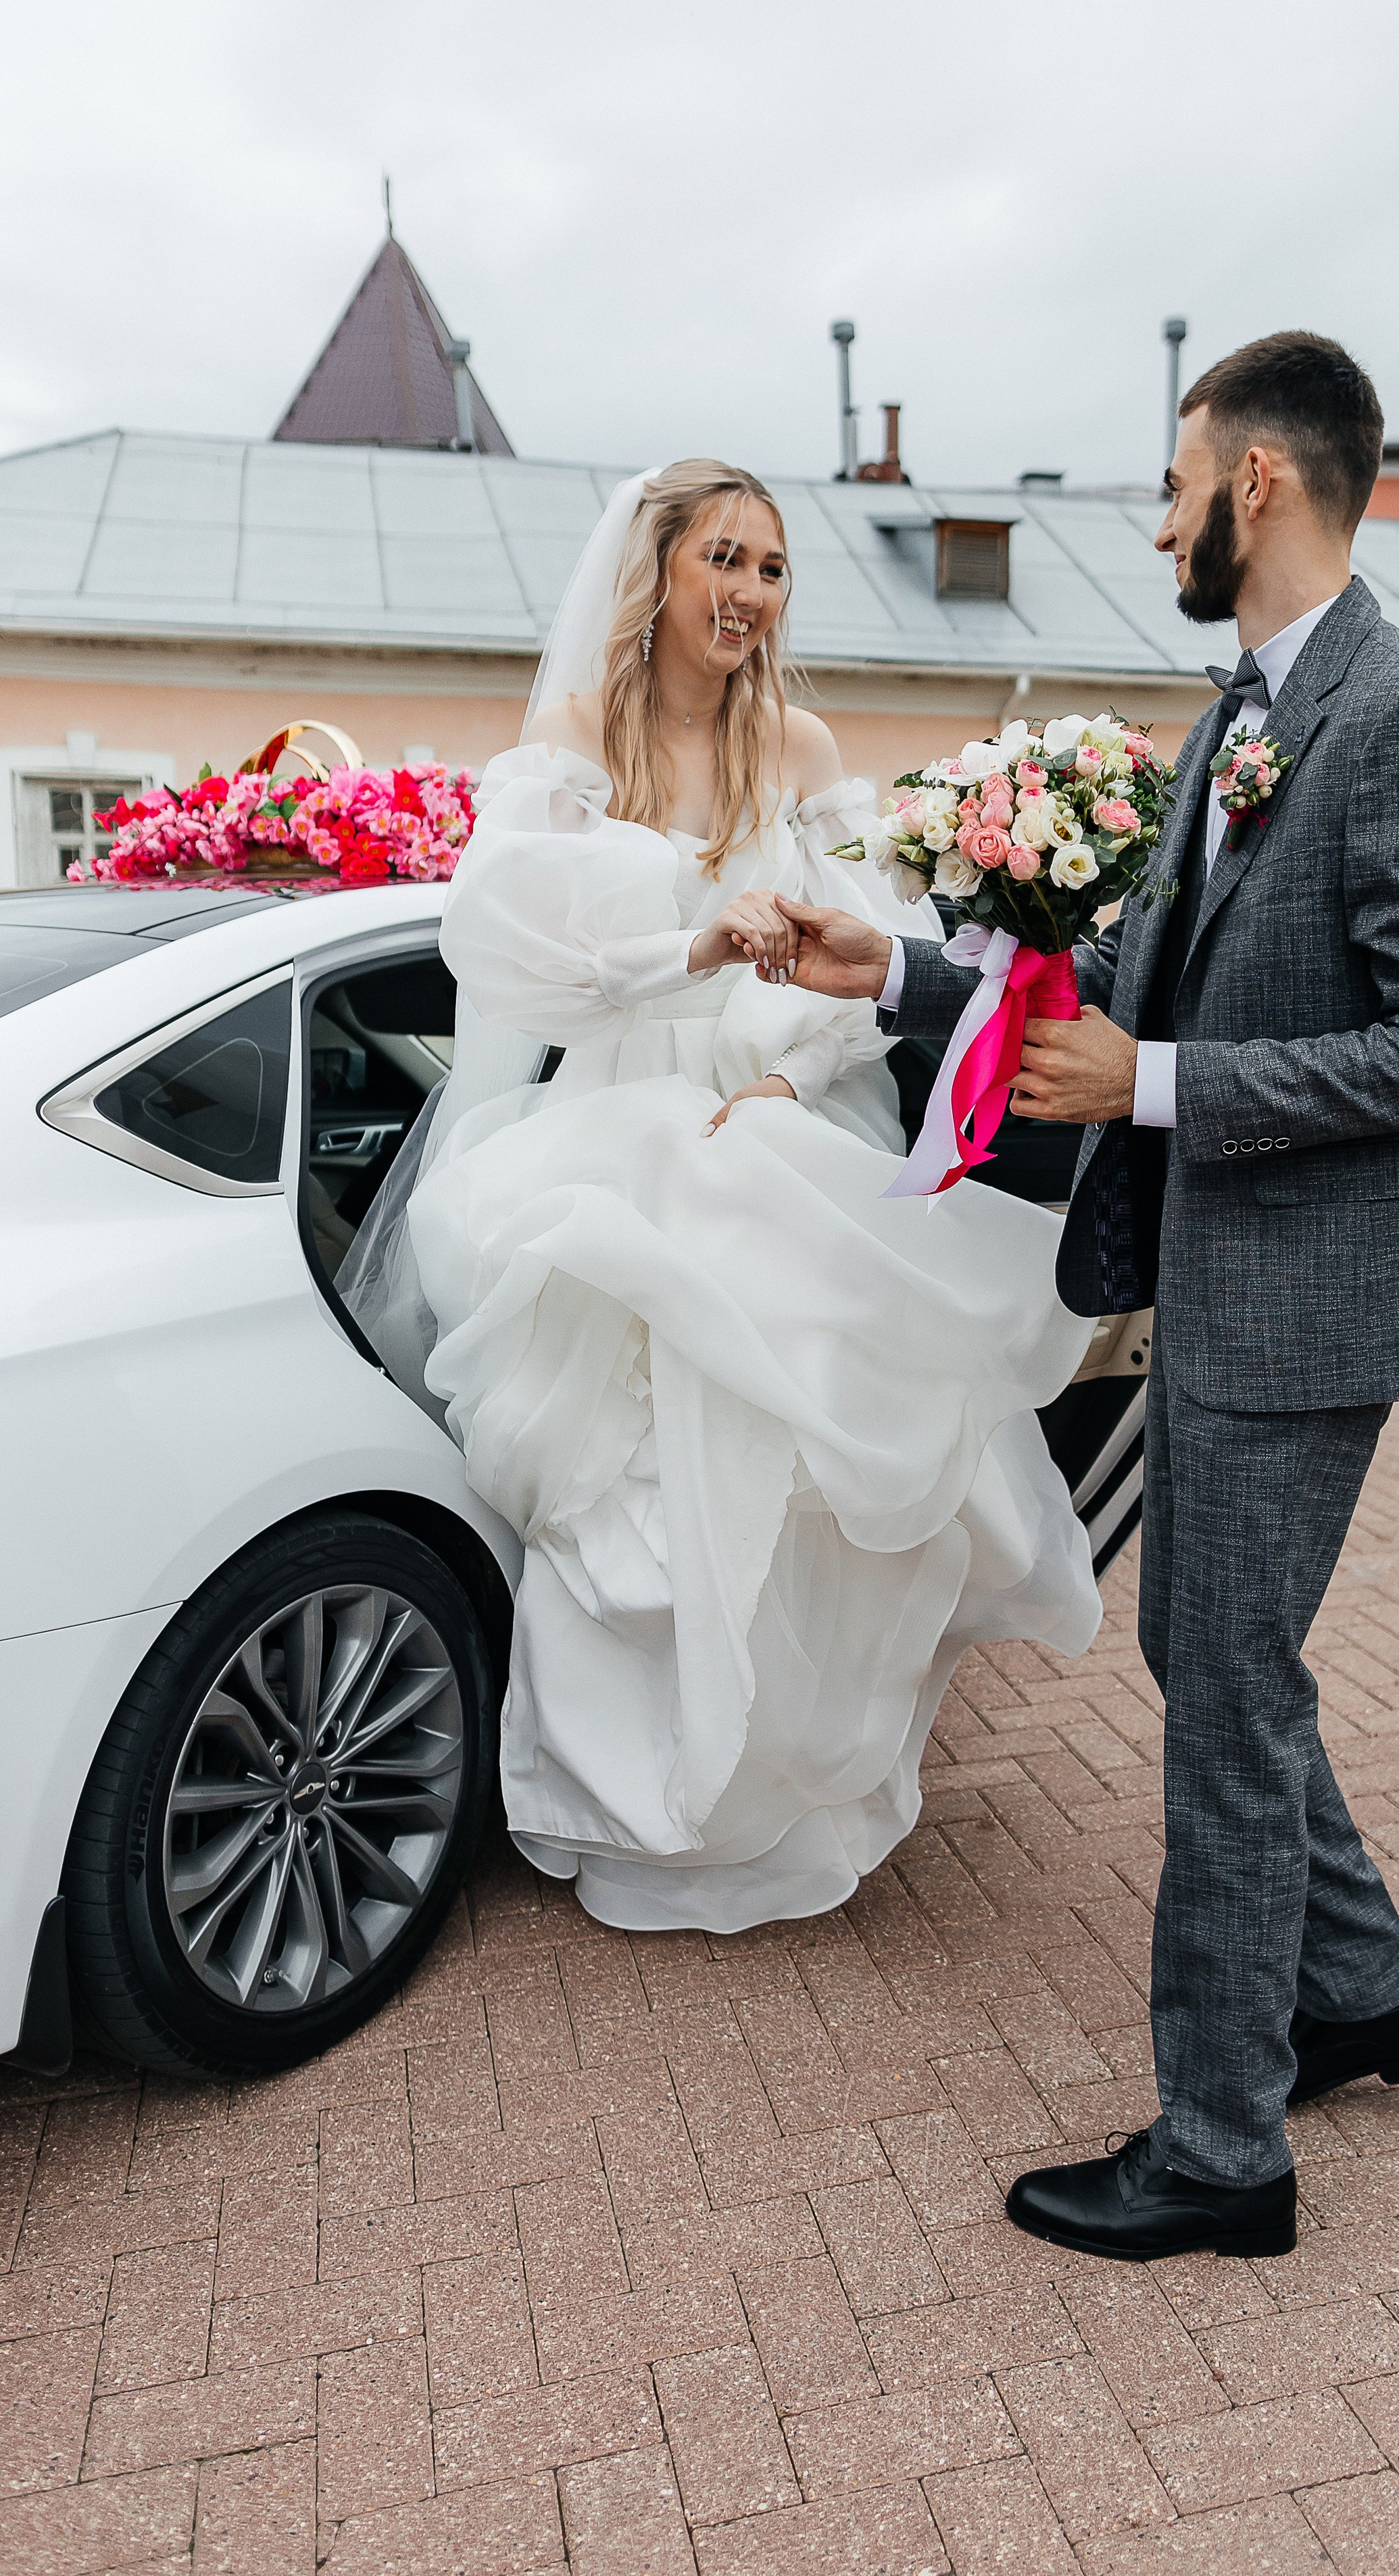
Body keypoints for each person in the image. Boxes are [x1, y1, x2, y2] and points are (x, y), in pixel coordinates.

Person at [772, 336, 1399, 2260]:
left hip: (1307, 1304)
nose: (1164, 515)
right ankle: (1363, 1997)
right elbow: (1110, 981)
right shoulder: (1245, 714)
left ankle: (1223, 2150)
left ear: (1259, 484)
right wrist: (887, 973)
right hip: (1225, 1283)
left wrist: (1161, 1086)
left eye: (1178, 481)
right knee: (1217, 1662)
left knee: (1225, 1697)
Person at [343, 460, 1100, 1935]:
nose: (750, 593)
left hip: (772, 1110)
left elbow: (871, 949)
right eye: (725, 560)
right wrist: (684, 948)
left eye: (771, 569)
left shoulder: (798, 743)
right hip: (616, 1112)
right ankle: (628, 1807)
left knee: (789, 1474)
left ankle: (776, 1802)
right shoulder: (573, 739)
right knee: (629, 1487)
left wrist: (791, 1068)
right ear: (657, 570)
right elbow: (506, 948)